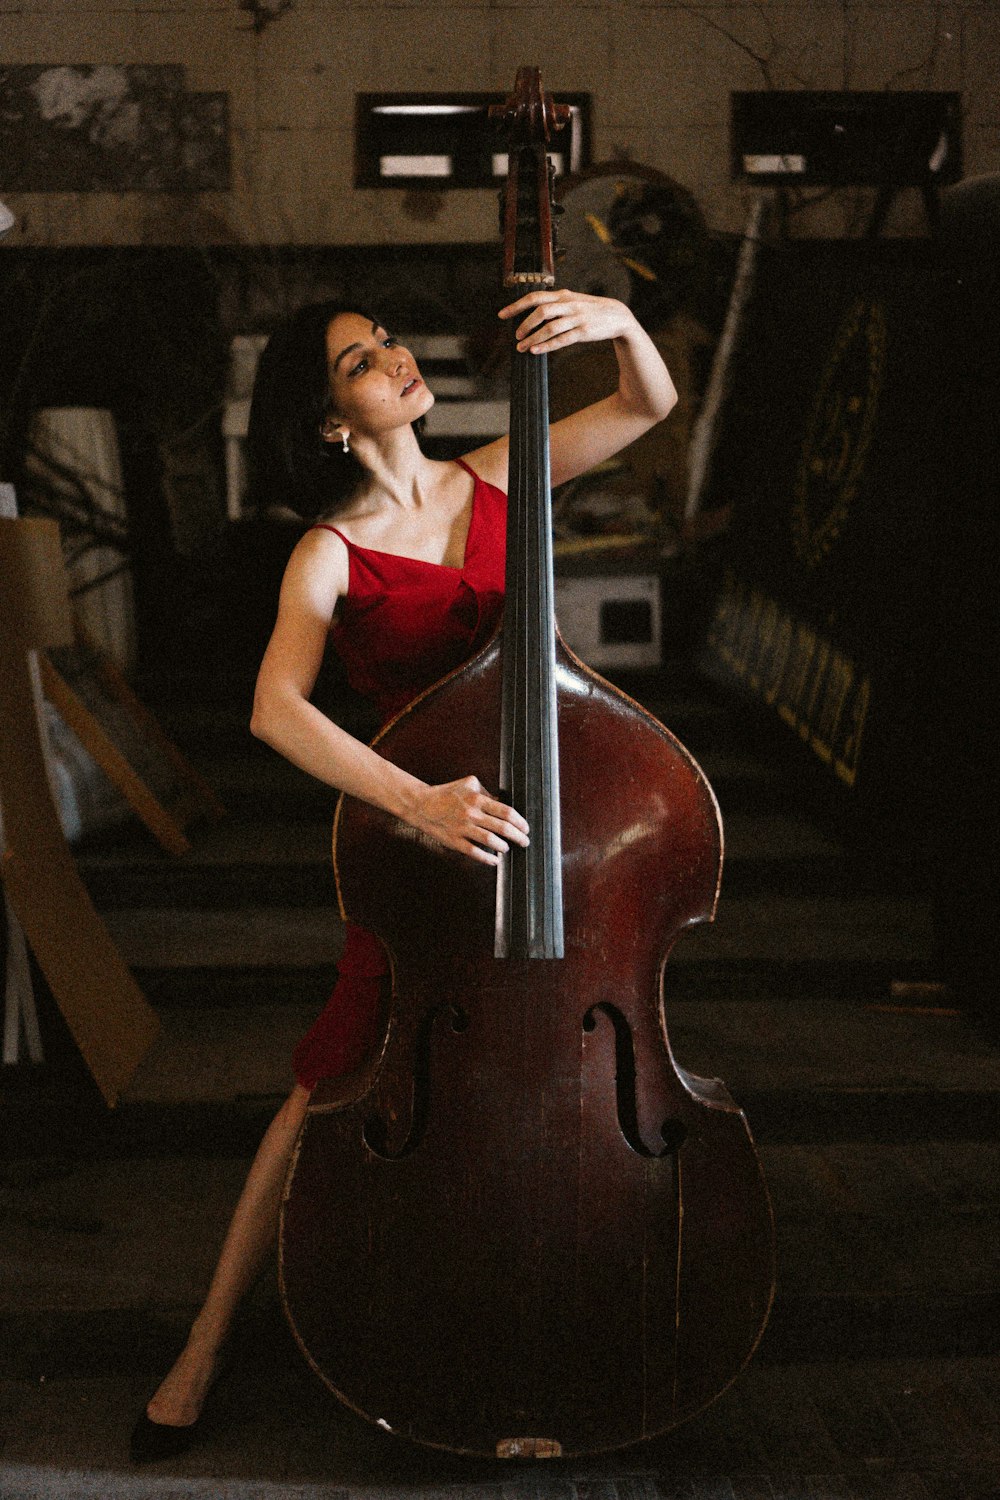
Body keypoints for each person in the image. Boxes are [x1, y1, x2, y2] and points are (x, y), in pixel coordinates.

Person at [130, 286, 677, 1461]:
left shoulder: (500, 476)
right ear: (330, 420)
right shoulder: (327, 551)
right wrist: (414, 802)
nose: (393, 361)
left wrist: (612, 314)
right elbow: (274, 710)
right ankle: (207, 1343)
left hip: (546, 836)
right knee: (327, 1079)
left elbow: (645, 401)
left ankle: (535, 1312)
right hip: (420, 839)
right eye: (359, 363)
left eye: (386, 344)